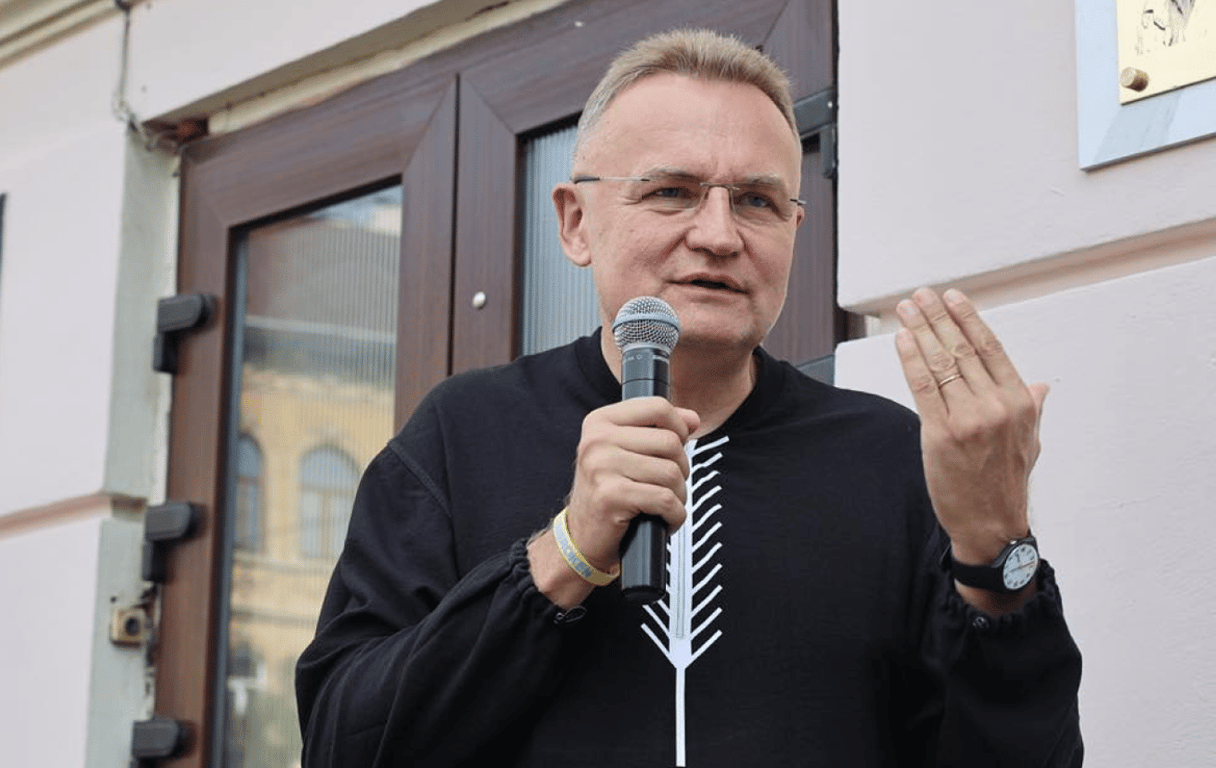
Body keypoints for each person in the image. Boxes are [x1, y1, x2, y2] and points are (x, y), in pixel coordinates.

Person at [296, 28, 1082, 767]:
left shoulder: (888, 459)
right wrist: (562, 555)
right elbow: (343, 743)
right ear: (576, 223)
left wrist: (994, 554)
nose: (718, 235)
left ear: (795, 229)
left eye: (757, 201)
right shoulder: (462, 437)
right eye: (672, 191)